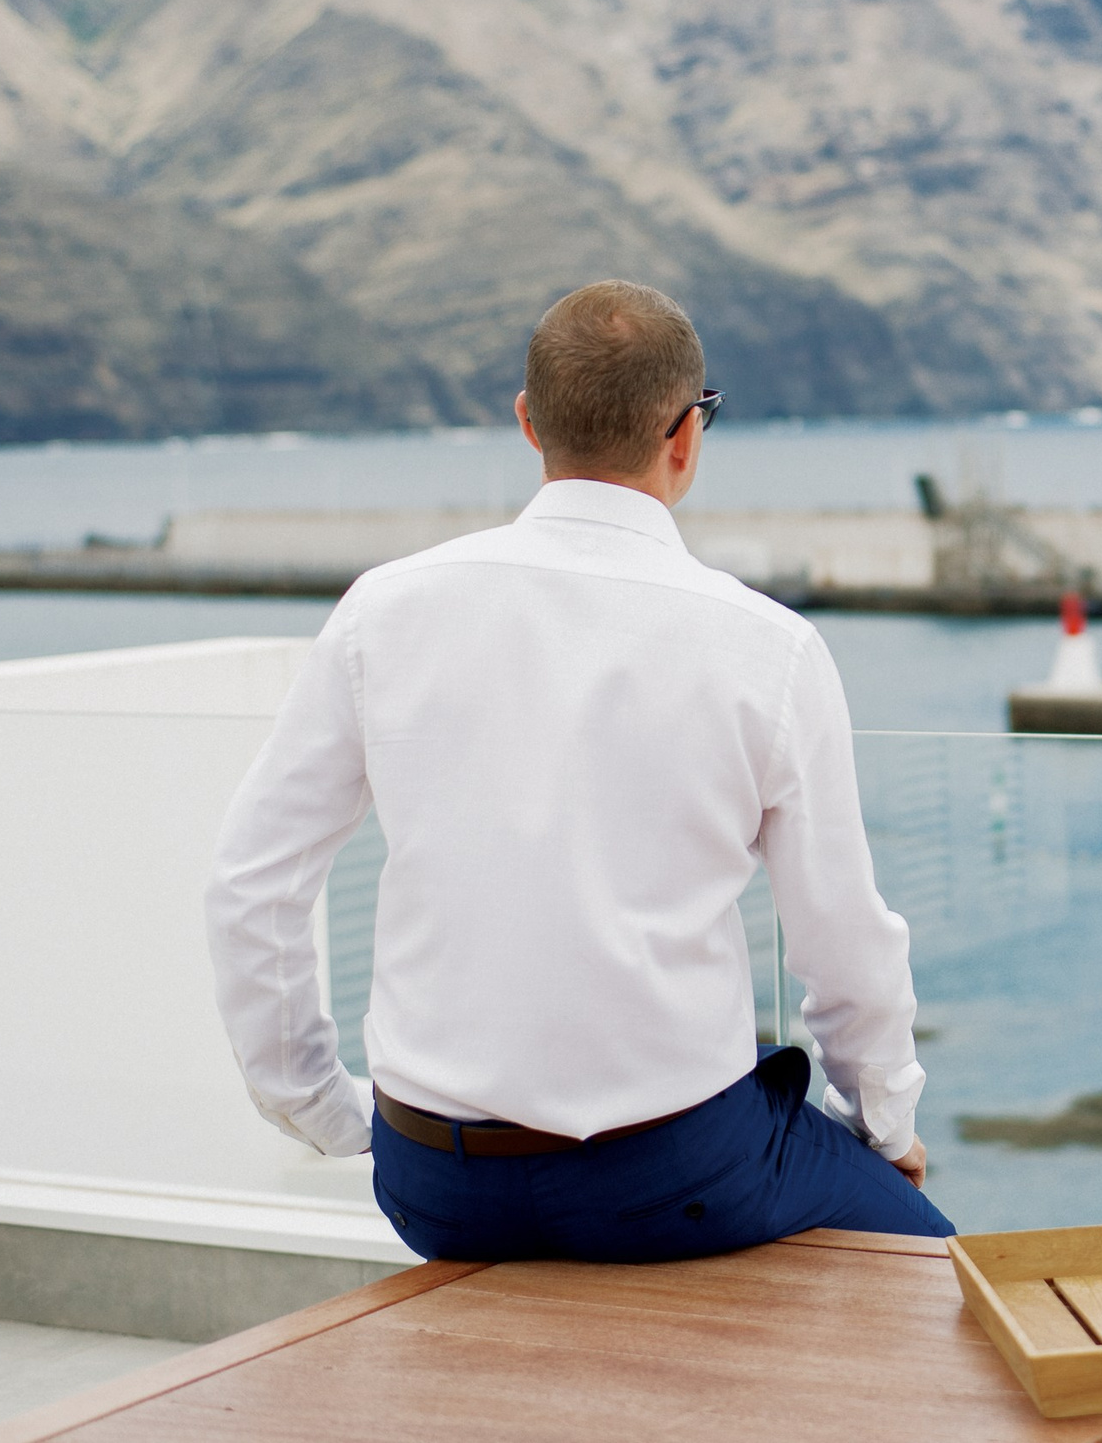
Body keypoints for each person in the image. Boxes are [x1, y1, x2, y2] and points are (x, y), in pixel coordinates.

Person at [204, 280, 950, 1260]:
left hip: (434, 1183)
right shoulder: (768, 647)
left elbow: (251, 881)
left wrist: (326, 1108)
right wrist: (883, 1127)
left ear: (529, 421)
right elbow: (842, 938)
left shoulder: (381, 612)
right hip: (671, 1177)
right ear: (685, 434)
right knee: (937, 1267)